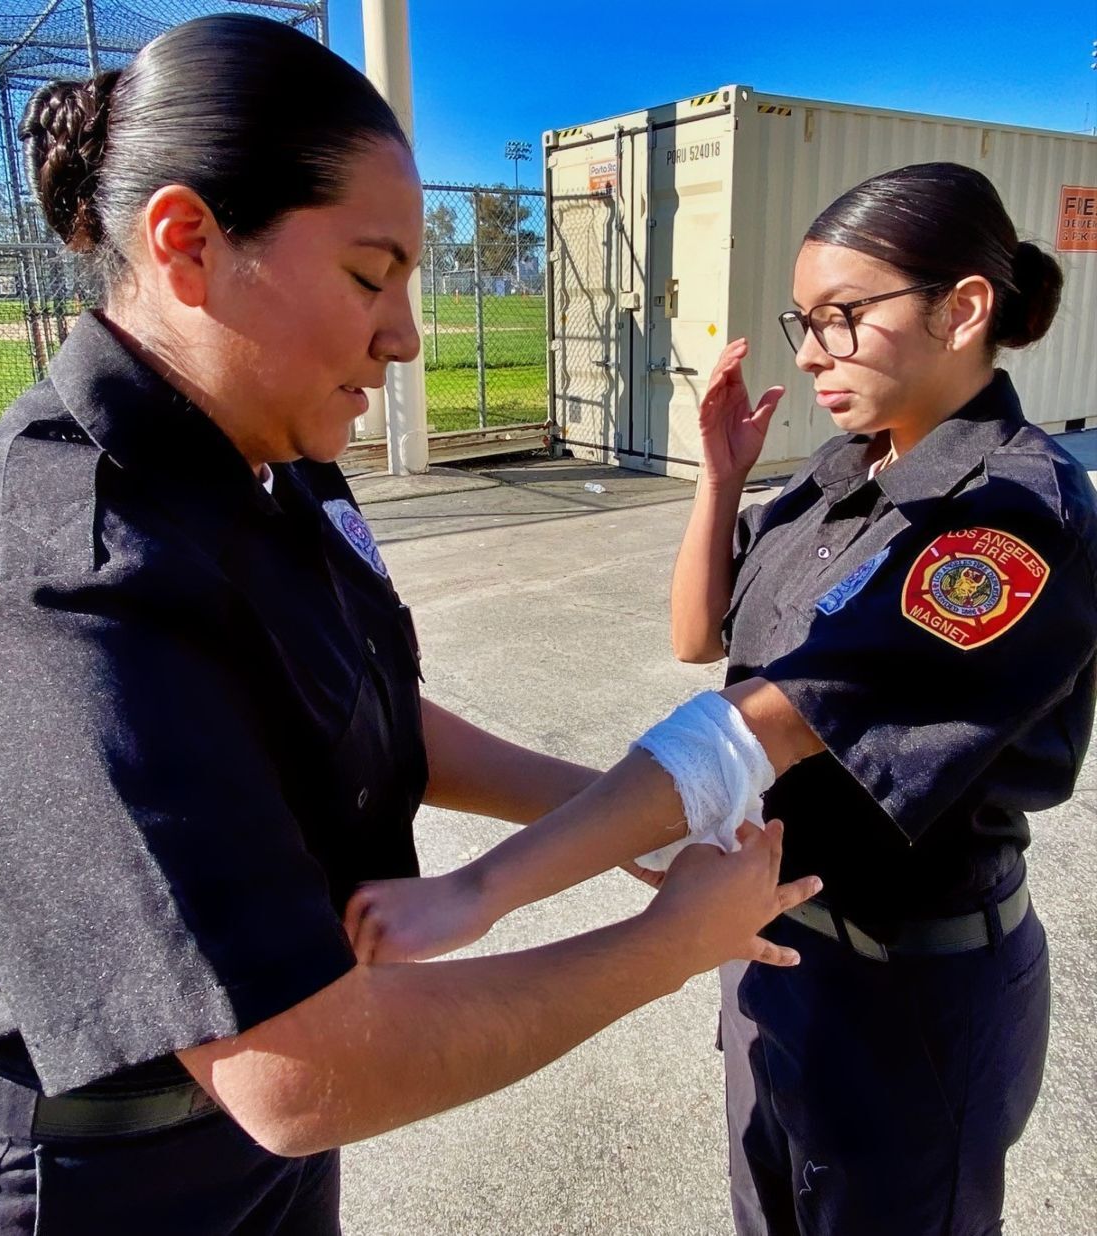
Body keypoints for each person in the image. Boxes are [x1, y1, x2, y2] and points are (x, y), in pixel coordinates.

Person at [0, 16, 820, 1234]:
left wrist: (604, 815)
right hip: (91, 1182)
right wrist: (668, 944)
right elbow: (293, 1072)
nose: (406, 335)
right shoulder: (49, 584)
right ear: (188, 244)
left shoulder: (274, 457)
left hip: (244, 1156)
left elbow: (359, 706)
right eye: (366, 274)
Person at [349, 163, 1097, 1235]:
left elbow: (770, 724)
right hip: (775, 959)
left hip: (911, 1002)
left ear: (964, 308)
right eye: (806, 319)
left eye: (846, 317)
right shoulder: (845, 472)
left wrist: (486, 888)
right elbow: (701, 637)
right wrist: (715, 477)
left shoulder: (1007, 519)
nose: (809, 351)